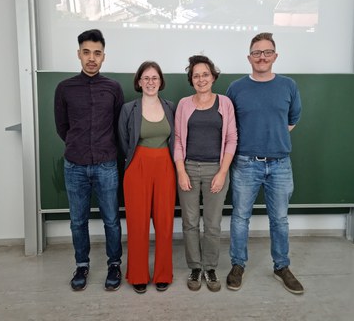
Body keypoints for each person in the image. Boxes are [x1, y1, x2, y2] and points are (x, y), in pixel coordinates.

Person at [225, 32, 303, 294]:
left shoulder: (288, 86)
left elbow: (291, 120)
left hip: (280, 164)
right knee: (240, 217)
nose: (262, 57)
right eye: (257, 52)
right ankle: (237, 265)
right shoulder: (235, 88)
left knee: (279, 219)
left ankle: (281, 266)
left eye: (267, 52)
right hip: (245, 163)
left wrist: (272, 140)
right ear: (249, 57)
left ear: (275, 56)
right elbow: (229, 126)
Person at [54, 29, 123, 292]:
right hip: (75, 165)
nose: (91, 58)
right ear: (79, 54)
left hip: (106, 164)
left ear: (103, 56)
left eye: (96, 53)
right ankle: (82, 264)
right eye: (86, 52)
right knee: (77, 221)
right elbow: (62, 127)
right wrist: (78, 146)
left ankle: (114, 264)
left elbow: (118, 126)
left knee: (111, 219)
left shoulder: (113, 88)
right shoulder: (64, 89)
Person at [174, 55, 238, 292]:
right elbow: (178, 140)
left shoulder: (225, 103)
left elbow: (232, 139)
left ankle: (210, 268)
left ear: (213, 76)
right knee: (190, 222)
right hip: (188, 168)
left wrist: (223, 172)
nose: (201, 79)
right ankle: (195, 267)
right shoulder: (183, 104)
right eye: (196, 75)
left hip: (216, 169)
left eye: (205, 74)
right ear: (191, 79)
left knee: (212, 224)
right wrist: (181, 171)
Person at [118, 61, 176, 294]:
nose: (151, 82)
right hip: (137, 166)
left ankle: (163, 274)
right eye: (146, 78)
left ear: (161, 81)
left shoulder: (171, 107)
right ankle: (138, 274)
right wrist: (136, 160)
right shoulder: (128, 109)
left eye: (155, 78)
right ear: (139, 82)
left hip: (165, 166)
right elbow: (123, 141)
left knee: (164, 223)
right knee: (137, 223)